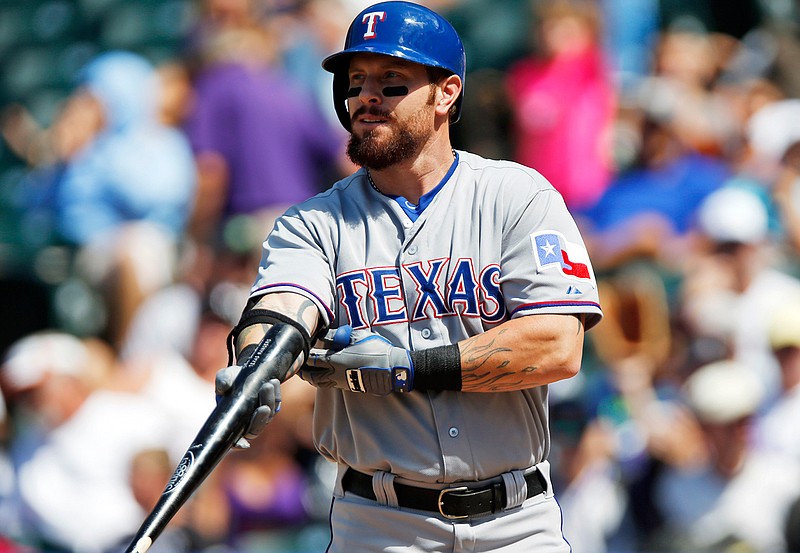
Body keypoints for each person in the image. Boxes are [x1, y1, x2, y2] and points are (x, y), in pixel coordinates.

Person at [214, 2, 602, 552]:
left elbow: (557, 346)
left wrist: (408, 367)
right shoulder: (313, 224)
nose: (365, 97)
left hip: (515, 522)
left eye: (391, 81)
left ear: (446, 93)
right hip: (379, 524)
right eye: (355, 83)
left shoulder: (516, 197)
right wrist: (258, 363)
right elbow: (281, 309)